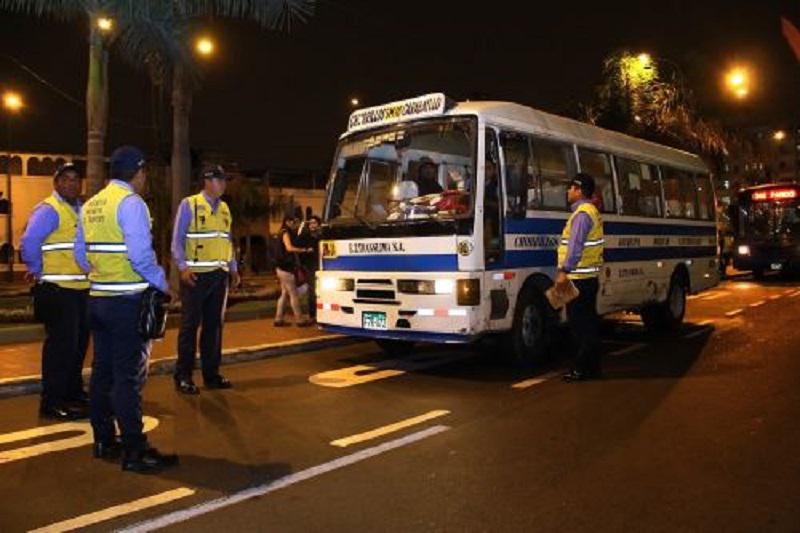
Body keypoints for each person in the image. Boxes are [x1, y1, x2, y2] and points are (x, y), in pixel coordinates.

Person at [75, 145, 178, 473]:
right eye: (145, 172)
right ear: (137, 171)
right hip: (126, 303)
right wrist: (163, 283)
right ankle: (135, 451)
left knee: (102, 374)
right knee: (127, 379)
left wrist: (100, 274)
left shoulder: (91, 205)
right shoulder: (131, 203)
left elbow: (81, 255)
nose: (146, 178)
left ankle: (104, 439)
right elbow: (140, 256)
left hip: (98, 300)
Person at [20, 163, 89, 420]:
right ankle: (51, 401)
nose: (72, 184)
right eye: (66, 179)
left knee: (79, 346)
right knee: (60, 349)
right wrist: (37, 269)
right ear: (56, 184)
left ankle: (73, 393)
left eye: (76, 179)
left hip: (80, 289)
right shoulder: (49, 210)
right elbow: (28, 242)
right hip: (58, 290)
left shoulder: (80, 210)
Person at [171, 164, 241, 395]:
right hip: (195, 277)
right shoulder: (189, 204)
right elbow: (177, 241)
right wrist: (183, 267)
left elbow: (227, 239)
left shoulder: (225, 209)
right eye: (220, 180)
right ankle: (183, 375)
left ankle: (211, 375)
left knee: (214, 327)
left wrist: (233, 268)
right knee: (190, 327)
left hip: (219, 276)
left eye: (224, 181)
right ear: (207, 181)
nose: (223, 185)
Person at [556, 172, 605, 382]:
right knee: (587, 323)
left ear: (578, 190)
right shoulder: (588, 212)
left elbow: (575, 248)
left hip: (577, 279)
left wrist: (564, 271)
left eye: (571, 188)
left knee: (579, 326)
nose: (568, 192)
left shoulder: (582, 215)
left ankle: (581, 369)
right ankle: (591, 367)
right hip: (586, 277)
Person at [274, 215, 313, 327]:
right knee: (293, 294)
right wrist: (304, 250)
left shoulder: (280, 232)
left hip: (280, 268)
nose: (295, 224)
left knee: (284, 294)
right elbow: (289, 248)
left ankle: (278, 319)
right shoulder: (285, 232)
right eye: (293, 222)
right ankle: (299, 319)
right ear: (288, 222)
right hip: (286, 269)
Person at [297, 215, 321, 320]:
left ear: (319, 225)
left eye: (314, 223)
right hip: (310, 266)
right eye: (310, 223)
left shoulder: (322, 236)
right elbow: (298, 247)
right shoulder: (305, 236)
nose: (312, 225)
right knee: (312, 290)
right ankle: (312, 314)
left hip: (322, 266)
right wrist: (307, 250)